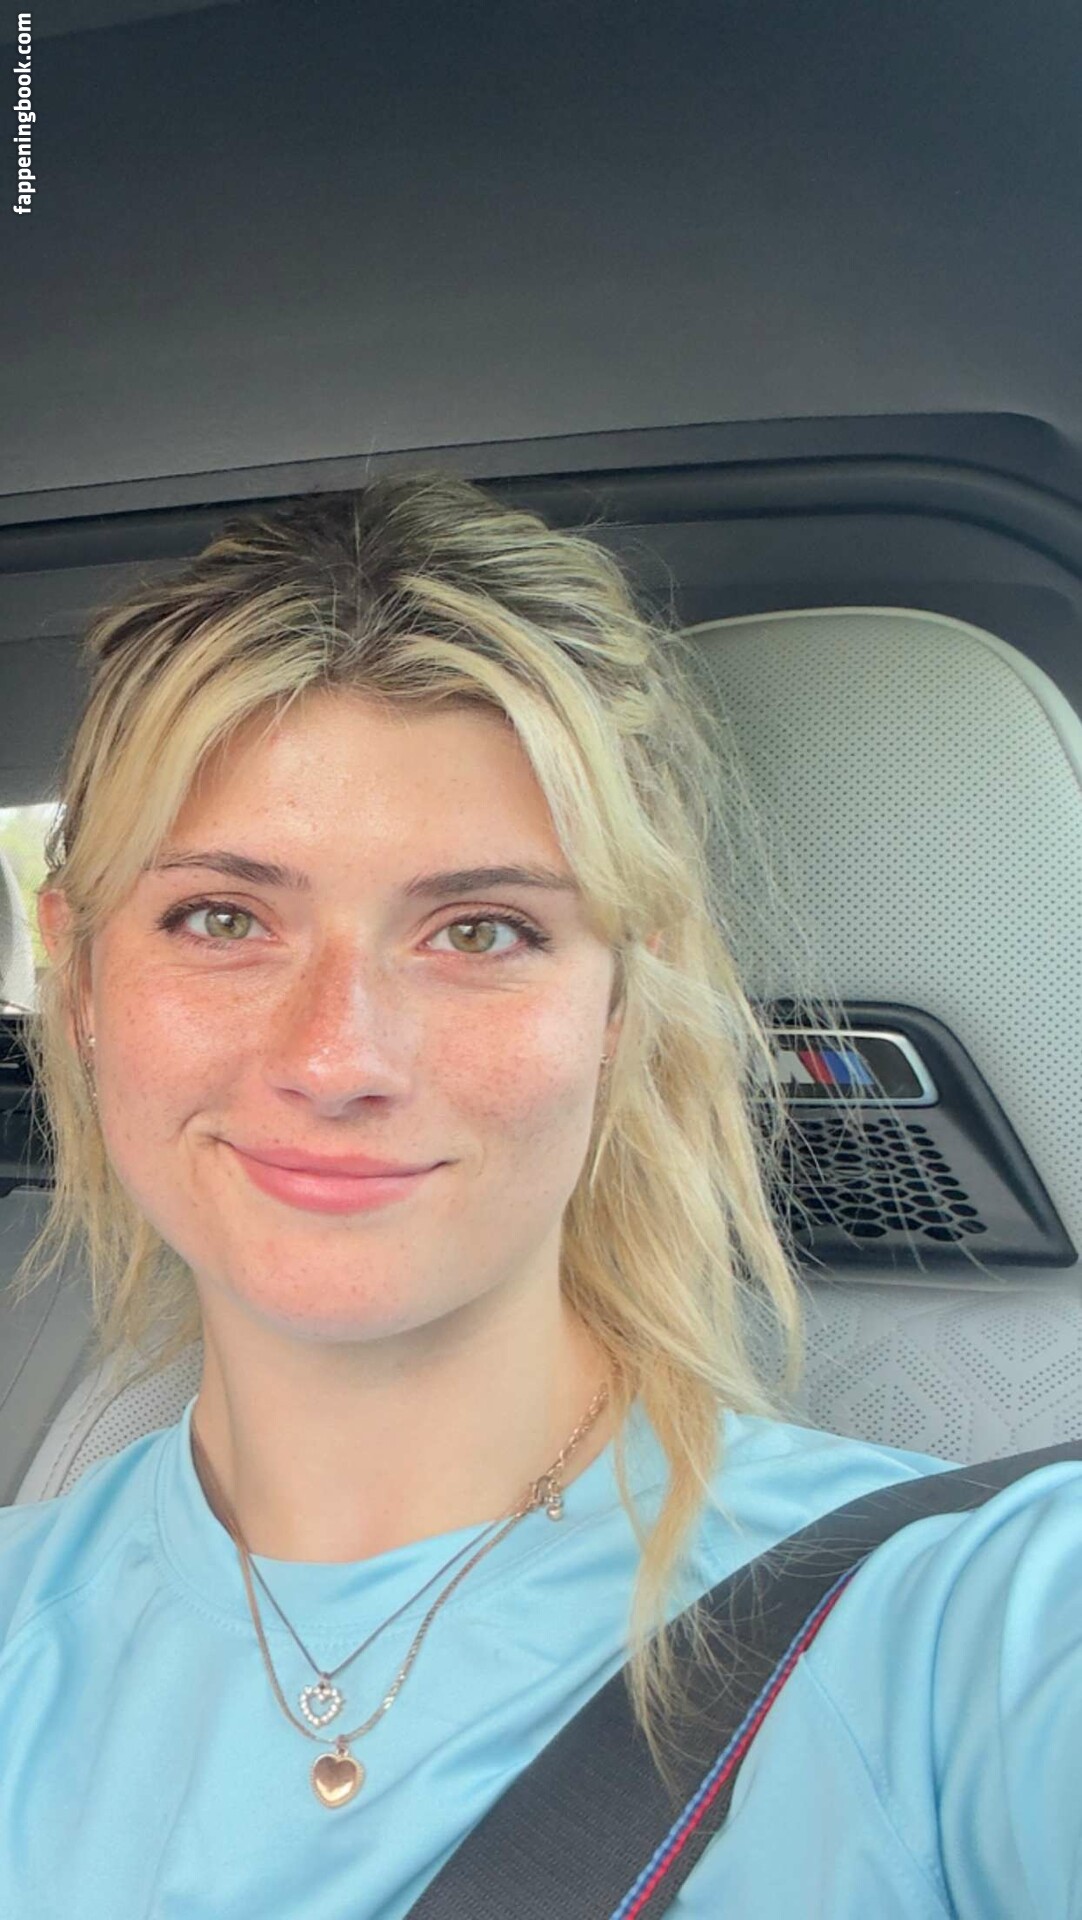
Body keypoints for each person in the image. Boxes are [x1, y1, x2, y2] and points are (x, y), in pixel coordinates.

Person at [0, 471, 1078, 1917]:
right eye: (221, 917)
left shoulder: (970, 1616)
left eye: (481, 931)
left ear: (621, 1001)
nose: (337, 1057)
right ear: (77, 977)